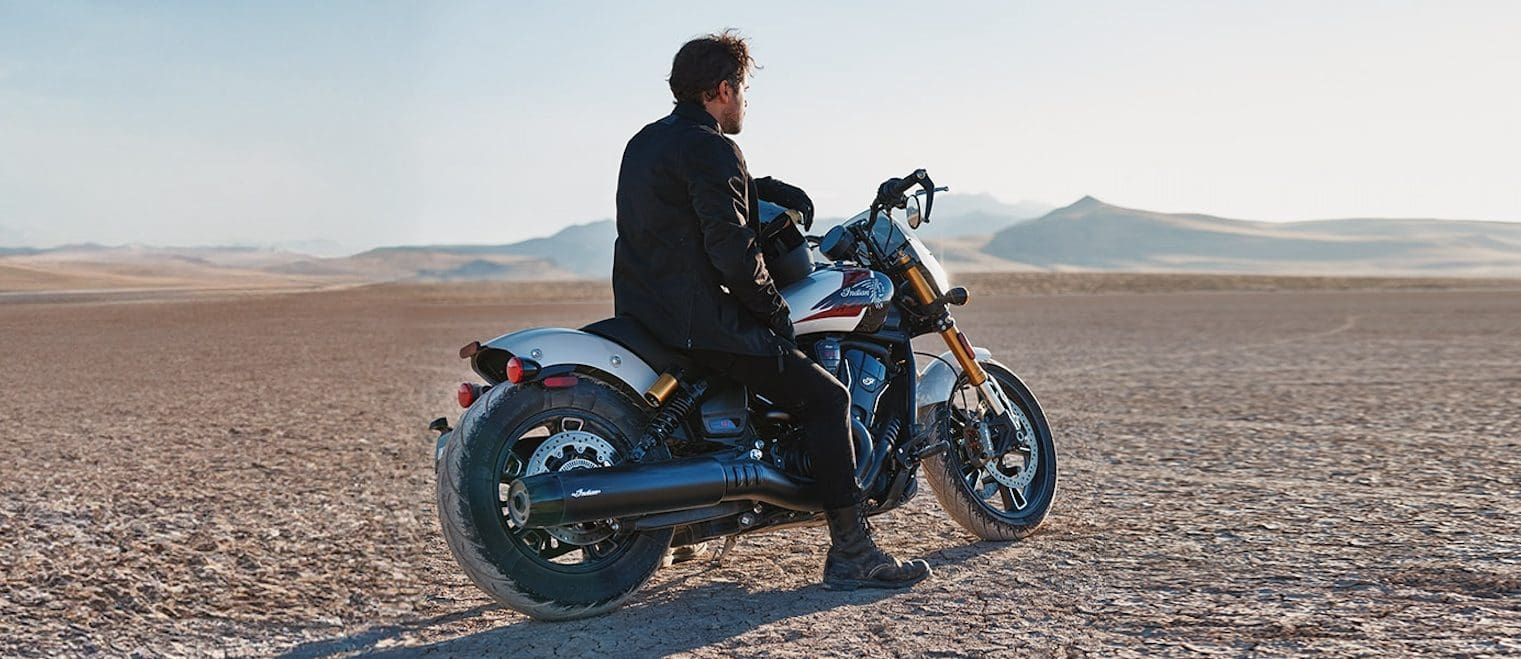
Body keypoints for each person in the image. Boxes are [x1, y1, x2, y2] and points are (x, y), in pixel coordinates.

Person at [612, 30, 930, 590]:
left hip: (645, 313)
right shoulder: (712, 146)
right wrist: (773, 315)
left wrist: (758, 185)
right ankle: (854, 553)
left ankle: (680, 532)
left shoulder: (645, 142)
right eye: (743, 90)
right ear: (722, 89)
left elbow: (678, 205)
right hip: (700, 323)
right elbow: (731, 250)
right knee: (827, 398)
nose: (744, 103)